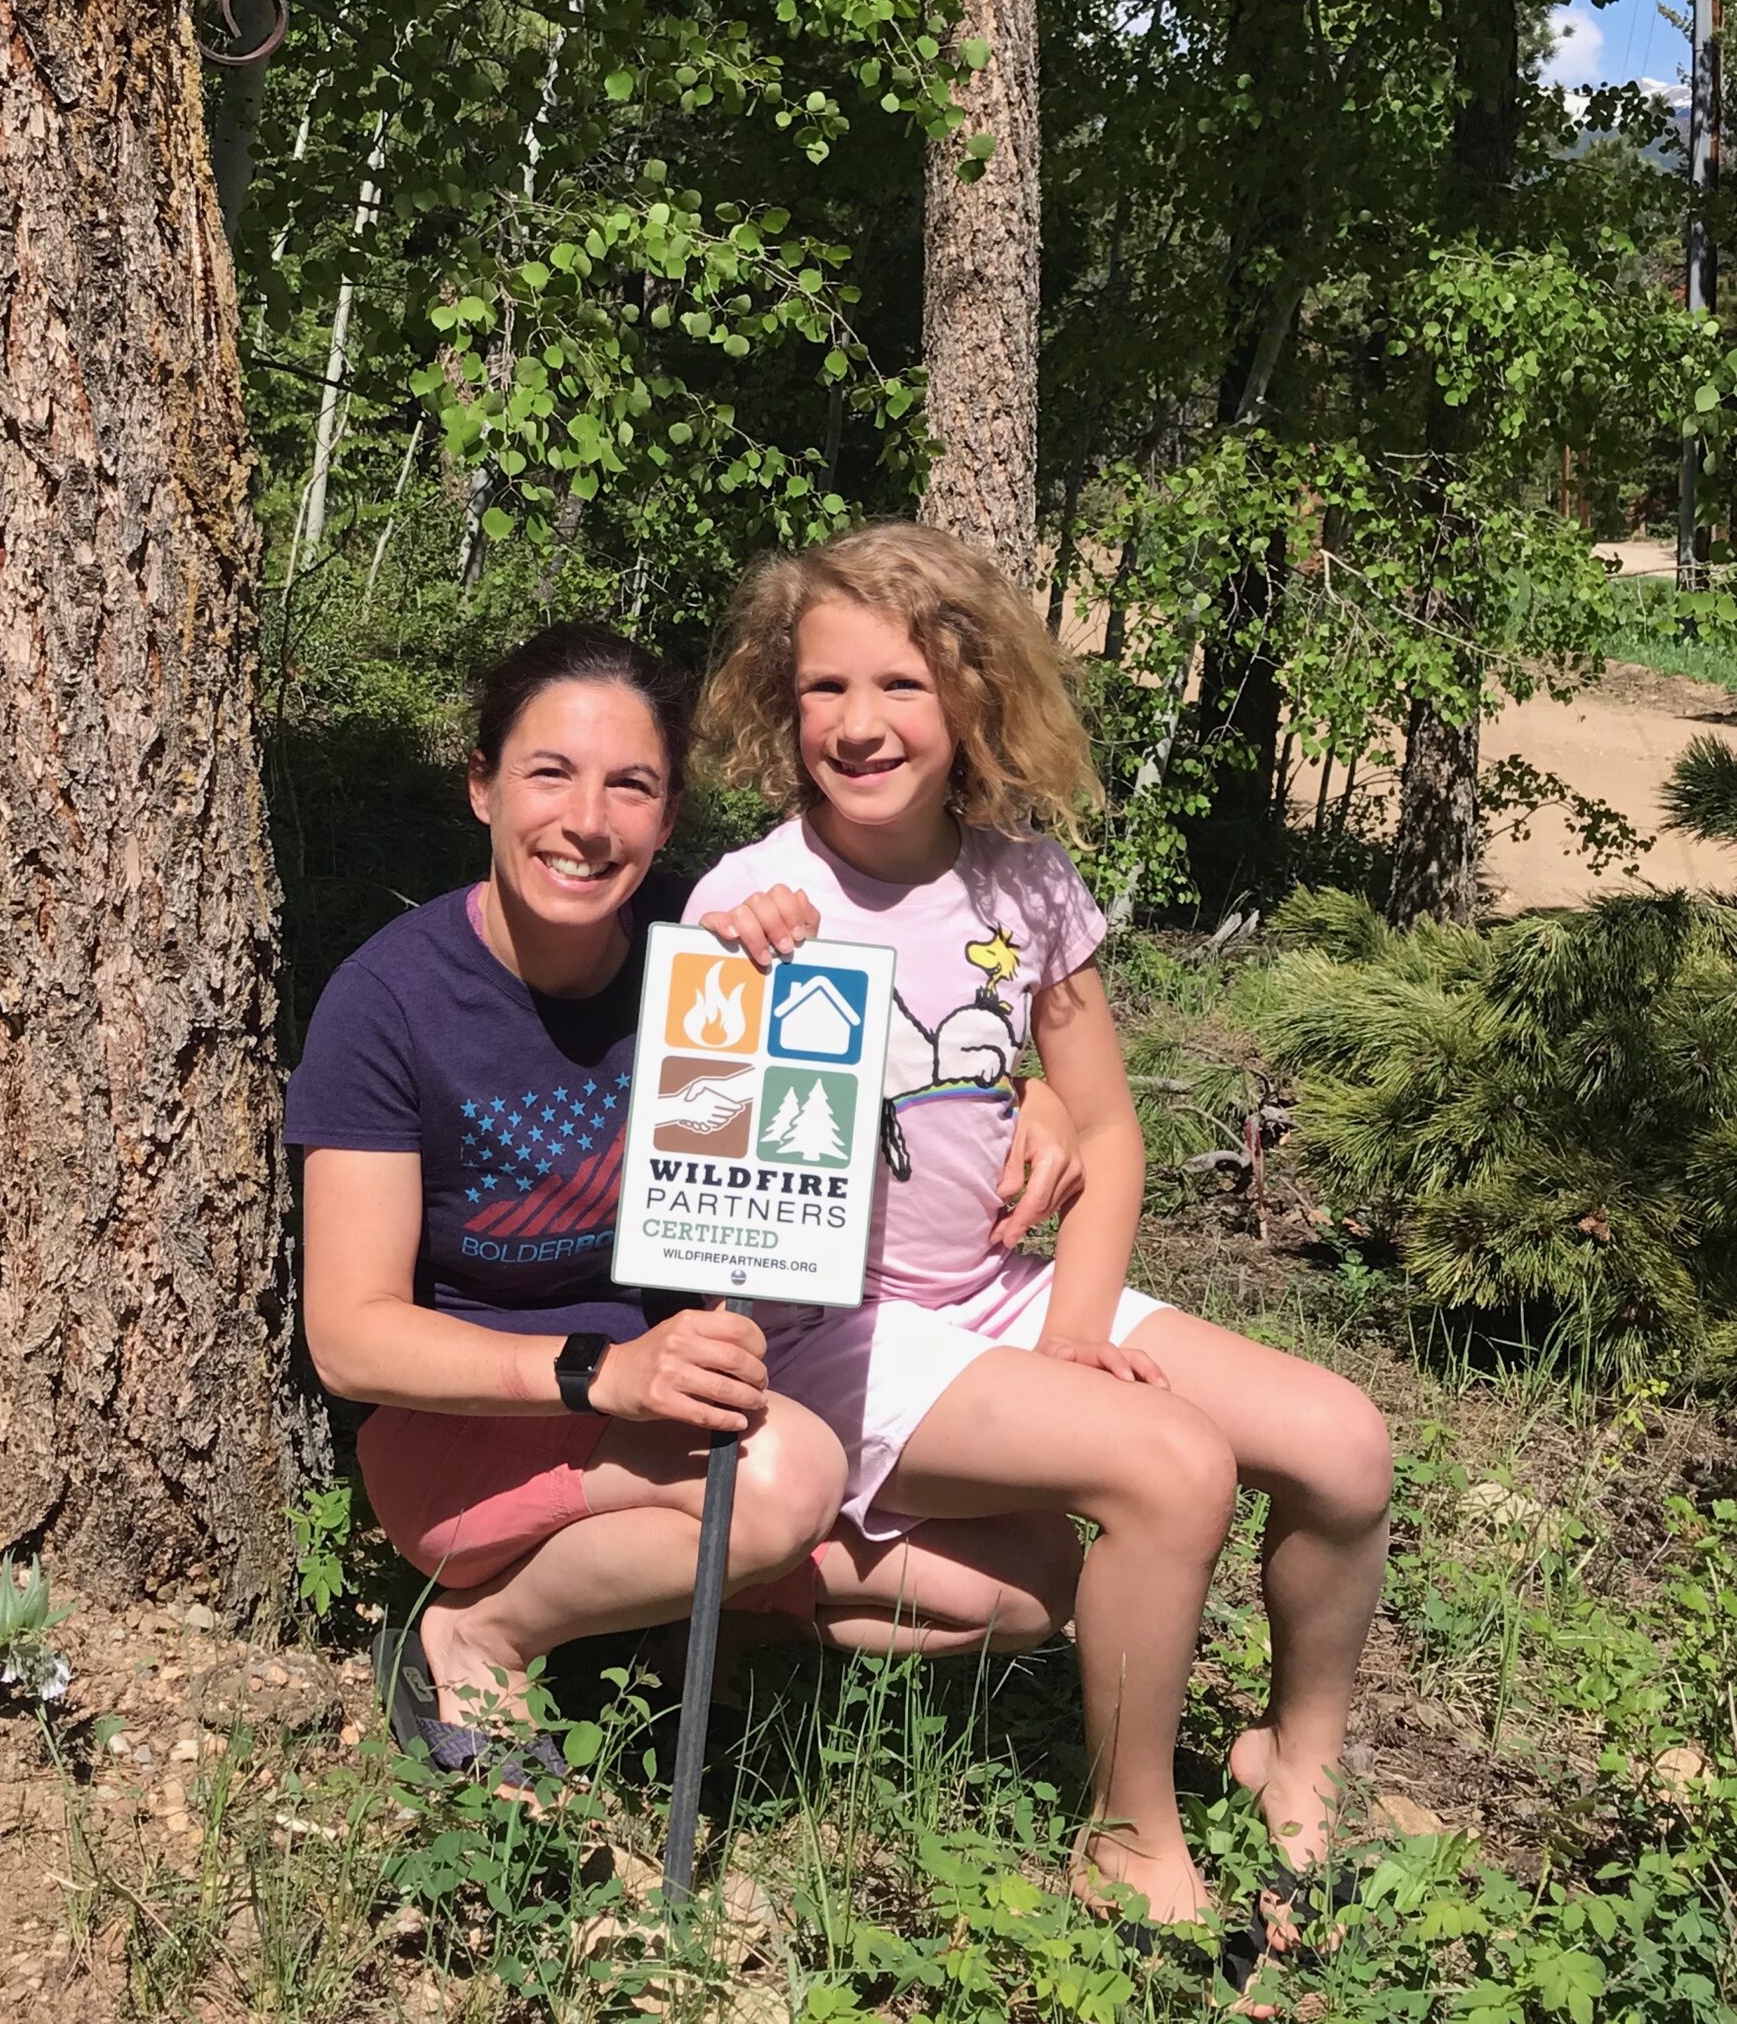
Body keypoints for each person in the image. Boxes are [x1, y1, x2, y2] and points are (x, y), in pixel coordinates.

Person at [688, 524, 1393, 1962]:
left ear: (971, 695)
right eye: (822, 688)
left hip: (1005, 1293)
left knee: (1343, 1442)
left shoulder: (1027, 886)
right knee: (1172, 1466)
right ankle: (1128, 1833)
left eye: (899, 683)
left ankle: (1298, 1757)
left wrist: (1075, 1330)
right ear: (779, 702)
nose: (859, 723)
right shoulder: (752, 905)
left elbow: (1111, 1130)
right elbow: (706, 1162)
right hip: (839, 1334)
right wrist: (730, 953)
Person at [289, 621, 1085, 1780]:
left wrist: (1037, 1091)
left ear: (667, 819)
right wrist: (594, 1371)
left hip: (669, 1407)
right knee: (787, 1478)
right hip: (477, 1420)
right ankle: (477, 1637)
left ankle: (659, 1592)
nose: (587, 821)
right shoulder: (391, 1001)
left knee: (1027, 1586)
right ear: (481, 788)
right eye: (548, 773)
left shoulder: (709, 947)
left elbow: (922, 1034)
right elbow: (350, 1338)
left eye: (632, 786)